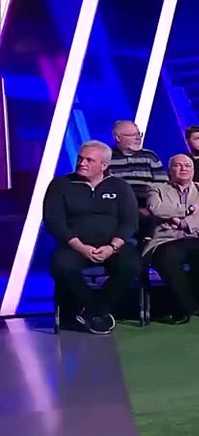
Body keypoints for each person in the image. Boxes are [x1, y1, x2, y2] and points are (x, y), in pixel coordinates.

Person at [44, 140, 141, 334]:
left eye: (89, 160)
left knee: (131, 265)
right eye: (80, 158)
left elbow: (130, 222)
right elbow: (54, 222)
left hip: (112, 246)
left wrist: (112, 247)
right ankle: (96, 309)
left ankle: (93, 311)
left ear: (104, 165)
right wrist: (82, 248)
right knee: (61, 267)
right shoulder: (60, 185)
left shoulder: (120, 186)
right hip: (74, 246)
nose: (82, 163)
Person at [144, 155, 199, 324]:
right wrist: (189, 209)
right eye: (178, 166)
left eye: (188, 165)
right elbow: (156, 208)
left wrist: (183, 223)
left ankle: (193, 302)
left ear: (193, 170)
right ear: (170, 171)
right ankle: (186, 306)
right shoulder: (157, 189)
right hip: (167, 238)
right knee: (166, 260)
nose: (184, 169)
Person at [107, 119, 167, 237]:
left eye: (139, 134)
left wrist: (149, 207)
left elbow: (162, 186)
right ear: (118, 138)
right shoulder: (108, 158)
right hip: (121, 206)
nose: (138, 138)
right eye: (132, 135)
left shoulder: (150, 156)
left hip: (149, 204)